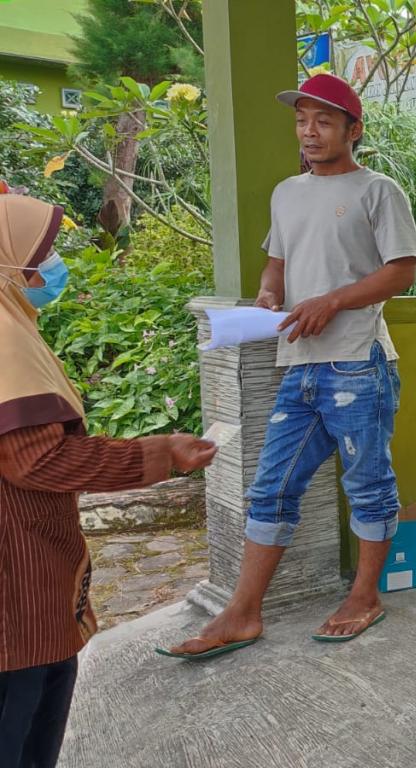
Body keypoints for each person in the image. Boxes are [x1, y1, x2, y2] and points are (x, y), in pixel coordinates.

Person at [163, 73, 416, 659]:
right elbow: (275, 265)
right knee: (270, 488)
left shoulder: (378, 190)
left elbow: (402, 269)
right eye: (302, 120)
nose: (309, 130)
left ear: (353, 130)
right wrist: (267, 296)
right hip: (298, 367)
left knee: (368, 485)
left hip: (359, 364)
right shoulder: (286, 192)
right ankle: (242, 612)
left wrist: (332, 300)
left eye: (324, 121)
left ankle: (364, 597)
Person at [0, 193, 217, 767]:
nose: (52, 266)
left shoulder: (13, 321)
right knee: (19, 724)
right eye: (41, 253)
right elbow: (36, 459)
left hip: (32, 572)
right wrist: (158, 454)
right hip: (11, 589)